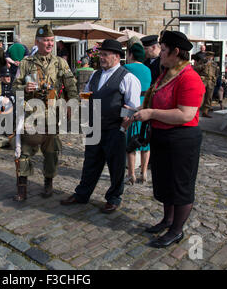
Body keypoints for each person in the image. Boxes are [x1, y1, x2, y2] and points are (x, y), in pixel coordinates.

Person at [132, 30, 205, 248]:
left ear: (176, 52)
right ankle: (167, 220)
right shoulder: (167, 73)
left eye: (163, 50)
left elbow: (185, 114)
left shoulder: (189, 77)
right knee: (164, 182)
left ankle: (176, 230)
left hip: (182, 139)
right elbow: (157, 101)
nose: (159, 53)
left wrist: (151, 114)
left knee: (180, 186)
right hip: (162, 136)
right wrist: (139, 109)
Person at [60, 39, 141, 214]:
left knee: (116, 165)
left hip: (114, 129)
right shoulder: (96, 75)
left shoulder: (128, 78)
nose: (101, 58)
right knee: (90, 162)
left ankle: (113, 198)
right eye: (101, 54)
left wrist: (123, 126)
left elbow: (132, 106)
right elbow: (88, 94)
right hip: (95, 127)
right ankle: (82, 194)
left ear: (117, 57)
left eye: (105, 55)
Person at [12, 25, 78, 202]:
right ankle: (22, 186)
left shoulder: (60, 63)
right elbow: (14, 87)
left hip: (52, 115)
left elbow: (71, 85)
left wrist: (72, 104)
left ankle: (48, 183)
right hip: (32, 115)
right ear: (37, 42)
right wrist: (23, 88)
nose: (49, 44)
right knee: (25, 151)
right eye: (45, 40)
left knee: (51, 151)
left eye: (51, 40)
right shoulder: (26, 63)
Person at [124, 43, 152, 185]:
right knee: (145, 141)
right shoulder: (148, 70)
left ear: (131, 55)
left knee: (131, 141)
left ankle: (131, 174)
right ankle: (144, 172)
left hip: (132, 105)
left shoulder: (126, 68)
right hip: (145, 104)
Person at [196, 51, 218, 118]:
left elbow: (216, 73)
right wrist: (204, 65)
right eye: (208, 56)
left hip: (210, 81)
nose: (210, 57)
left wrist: (214, 81)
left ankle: (205, 112)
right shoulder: (202, 62)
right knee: (201, 97)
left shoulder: (214, 64)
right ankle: (196, 111)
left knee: (209, 97)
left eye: (211, 56)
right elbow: (196, 69)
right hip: (203, 80)